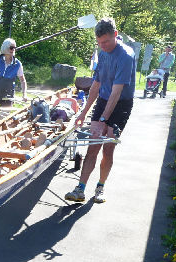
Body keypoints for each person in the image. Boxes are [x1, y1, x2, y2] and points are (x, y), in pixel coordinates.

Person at [65, 17, 136, 204]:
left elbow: (117, 92)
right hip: (104, 100)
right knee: (93, 144)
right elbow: (96, 84)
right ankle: (80, 189)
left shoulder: (126, 56)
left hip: (121, 104)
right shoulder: (103, 53)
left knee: (108, 147)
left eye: (106, 42)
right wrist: (83, 113)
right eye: (99, 42)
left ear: (115, 35)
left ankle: (100, 187)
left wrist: (104, 120)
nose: (102, 46)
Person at [0, 38, 28, 122]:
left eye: (14, 48)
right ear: (5, 48)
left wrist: (24, 94)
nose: (13, 50)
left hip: (8, 97)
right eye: (11, 48)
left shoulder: (17, 64)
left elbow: (22, 80)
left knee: (3, 122)